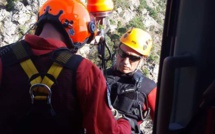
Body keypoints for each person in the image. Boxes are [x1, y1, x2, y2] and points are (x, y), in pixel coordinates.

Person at [0, 0, 132, 134]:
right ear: (78, 28)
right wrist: (125, 122)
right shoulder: (85, 71)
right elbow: (106, 131)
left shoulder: (3, 57)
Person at [106, 28, 157, 133]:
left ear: (143, 60)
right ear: (117, 51)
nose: (125, 62)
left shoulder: (149, 88)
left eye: (133, 58)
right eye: (122, 54)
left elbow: (162, 122)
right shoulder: (100, 76)